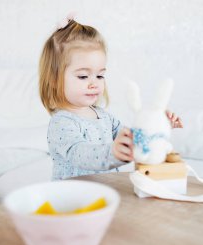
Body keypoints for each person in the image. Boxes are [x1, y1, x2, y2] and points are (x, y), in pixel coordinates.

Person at [39, 15, 182, 180]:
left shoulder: (104, 117)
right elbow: (80, 155)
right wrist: (112, 152)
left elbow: (132, 138)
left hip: (104, 193)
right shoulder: (62, 122)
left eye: (100, 76)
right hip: (73, 198)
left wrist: (156, 126)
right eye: (83, 76)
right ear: (54, 80)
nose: (94, 84)